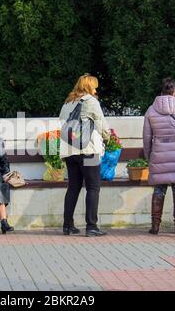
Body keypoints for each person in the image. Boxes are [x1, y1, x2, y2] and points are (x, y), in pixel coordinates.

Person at [59, 74, 111, 237]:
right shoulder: (91, 101)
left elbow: (62, 123)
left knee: (73, 187)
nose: (96, 90)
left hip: (69, 152)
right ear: (88, 87)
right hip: (89, 151)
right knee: (93, 187)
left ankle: (67, 225)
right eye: (94, 86)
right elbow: (101, 124)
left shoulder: (67, 102)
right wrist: (107, 137)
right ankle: (91, 226)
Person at [143, 78, 175, 235]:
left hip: (159, 154)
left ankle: (155, 226)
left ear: (161, 92)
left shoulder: (151, 111)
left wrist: (149, 156)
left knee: (158, 190)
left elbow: (146, 138)